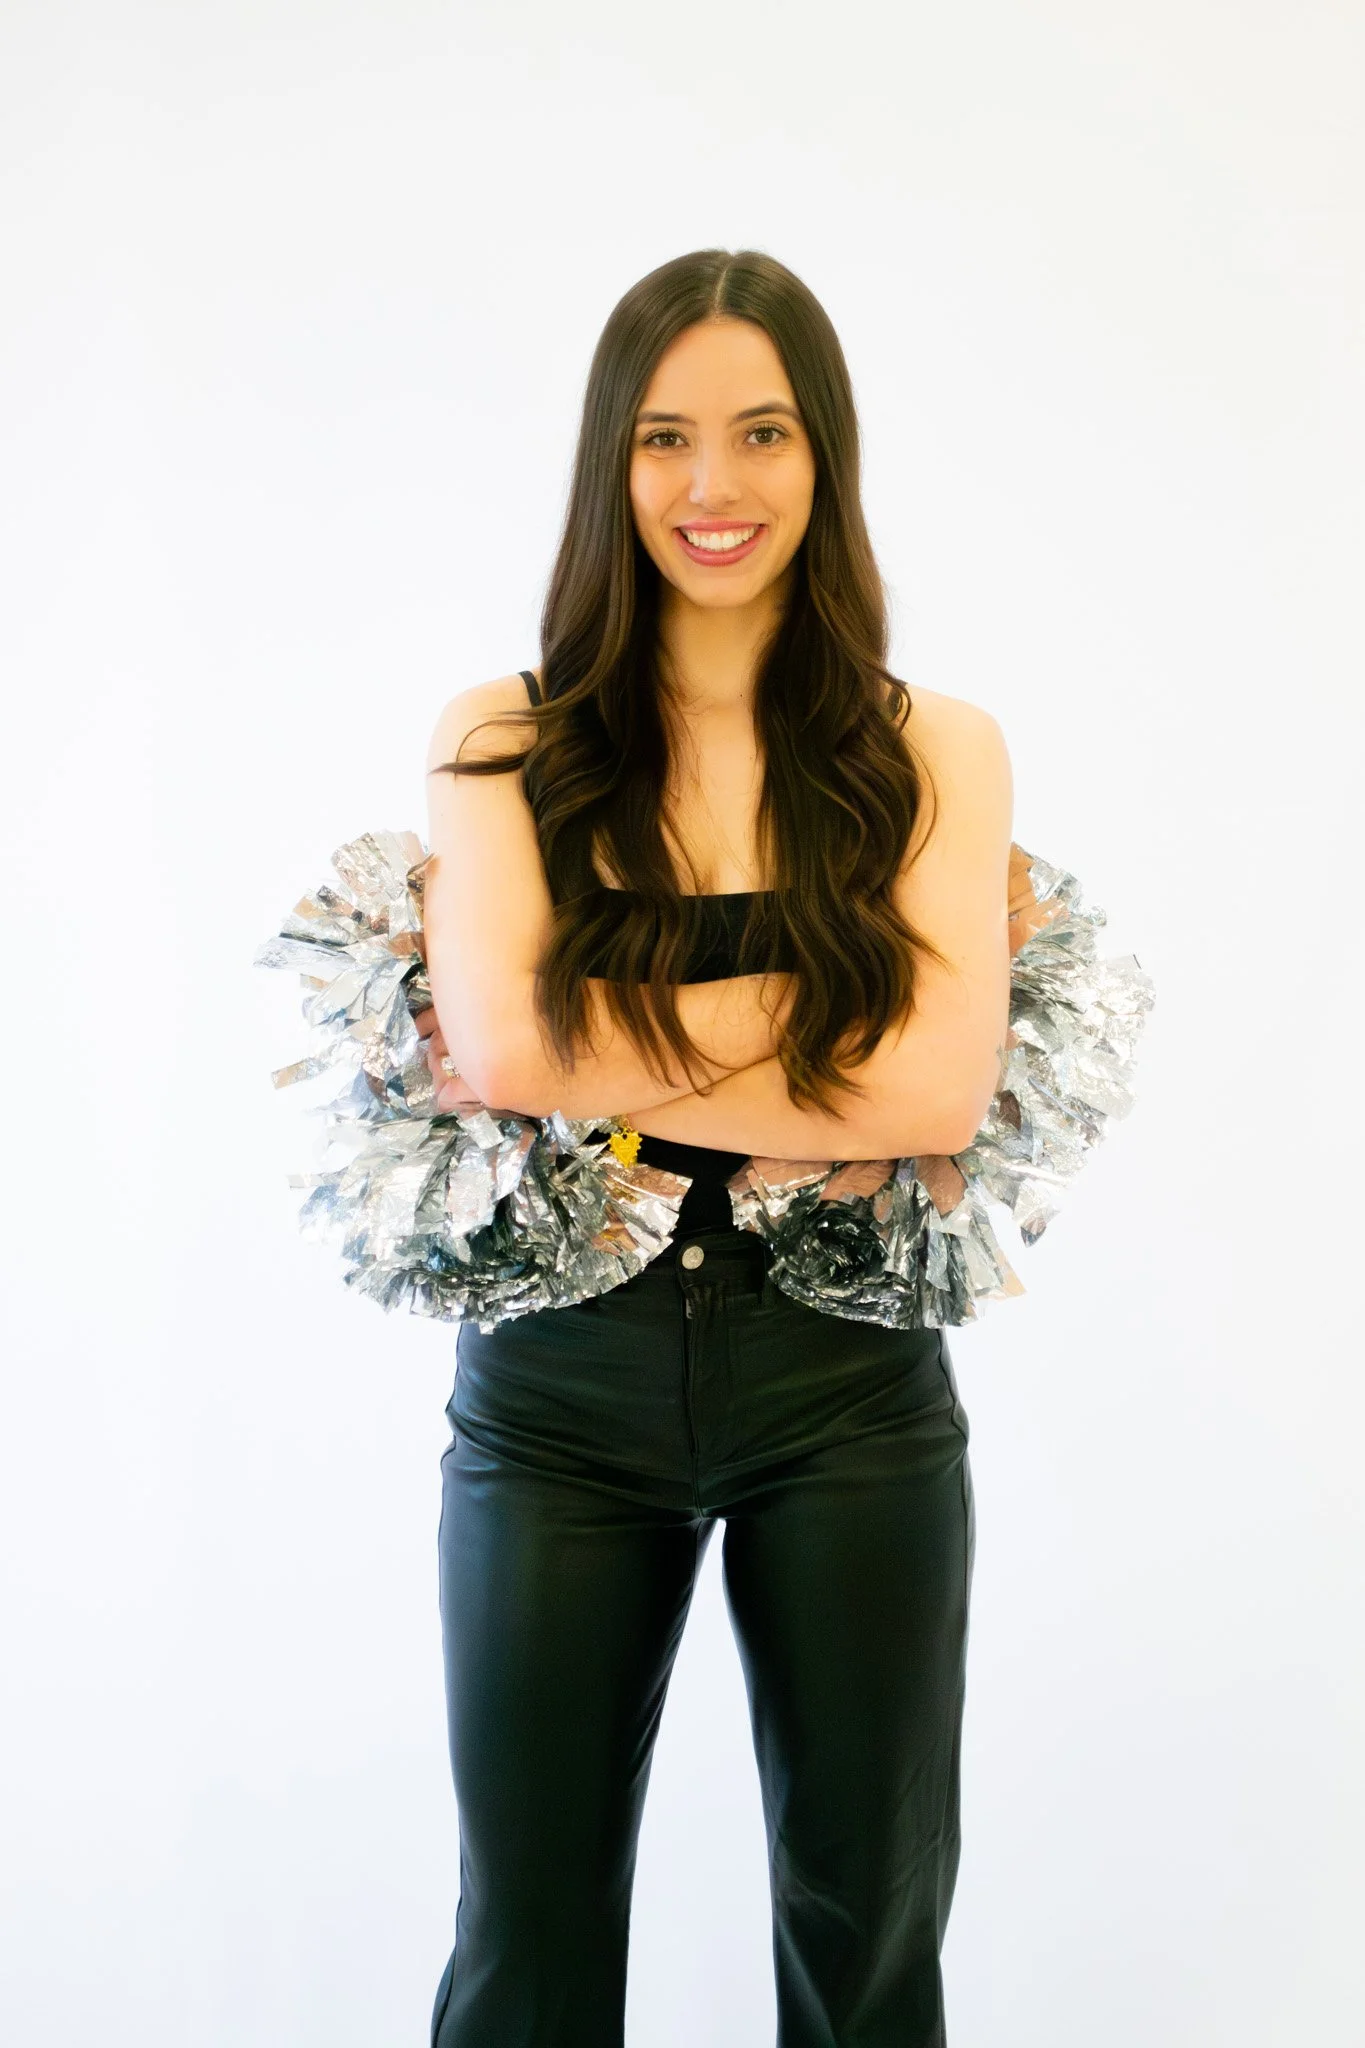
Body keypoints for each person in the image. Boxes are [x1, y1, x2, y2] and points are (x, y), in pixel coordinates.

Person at [414, 247, 1013, 2048]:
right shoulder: (505, 740)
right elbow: (506, 1047)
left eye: (762, 433)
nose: (713, 485)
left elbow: (938, 1093)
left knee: (868, 1930)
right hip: (558, 1393)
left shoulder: (937, 751)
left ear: (824, 455)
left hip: (850, 1392)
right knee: (524, 1943)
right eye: (665, 437)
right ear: (614, 459)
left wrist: (602, 1045)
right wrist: (831, 1019)